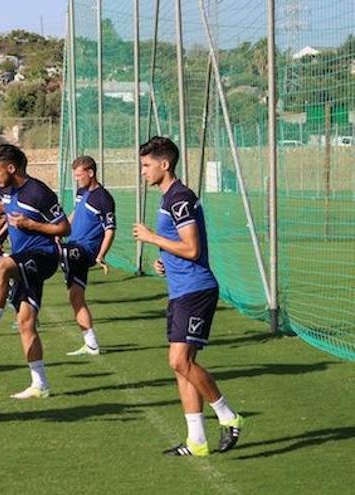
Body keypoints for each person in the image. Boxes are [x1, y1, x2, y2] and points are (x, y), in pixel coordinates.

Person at [133, 136, 243, 457]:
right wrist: (163, 259)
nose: (143, 172)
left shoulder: (179, 198)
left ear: (164, 164)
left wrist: (153, 238)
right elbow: (179, 245)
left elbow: (193, 248)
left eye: (146, 165)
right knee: (182, 366)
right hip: (181, 290)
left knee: (179, 360)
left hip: (196, 290)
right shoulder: (168, 198)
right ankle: (197, 440)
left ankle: (227, 415)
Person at [0, 144, 70, 399]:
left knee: (1, 266)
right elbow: (2, 207)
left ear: (12, 168)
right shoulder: (8, 191)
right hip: (25, 258)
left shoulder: (39, 192)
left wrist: (31, 224)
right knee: (25, 322)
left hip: (44, 256)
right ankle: (39, 384)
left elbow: (64, 228)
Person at [60, 156, 116, 357]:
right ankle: (91, 344)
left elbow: (110, 230)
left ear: (90, 173)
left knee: (51, 253)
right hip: (73, 245)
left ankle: (24, 294)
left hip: (86, 251)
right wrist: (60, 230)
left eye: (79, 175)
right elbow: (75, 214)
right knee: (75, 297)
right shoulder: (81, 192)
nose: (76, 179)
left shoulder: (104, 198)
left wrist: (101, 255)